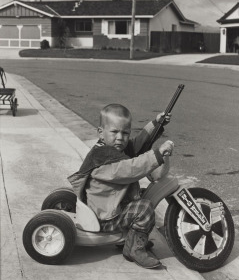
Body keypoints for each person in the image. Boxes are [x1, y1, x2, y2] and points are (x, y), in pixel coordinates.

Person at [68, 104, 175, 269]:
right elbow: (132, 168)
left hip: (110, 207)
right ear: (100, 132)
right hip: (104, 218)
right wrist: (157, 155)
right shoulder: (103, 159)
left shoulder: (110, 148)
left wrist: (156, 123)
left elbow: (137, 144)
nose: (120, 137)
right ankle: (133, 249)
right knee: (145, 209)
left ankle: (131, 238)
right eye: (114, 132)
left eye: (125, 133)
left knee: (142, 196)